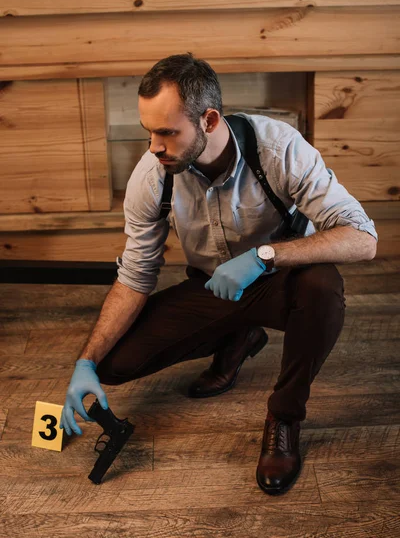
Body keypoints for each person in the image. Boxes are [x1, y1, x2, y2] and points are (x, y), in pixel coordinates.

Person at [60, 53, 378, 495]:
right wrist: (86, 361)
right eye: (148, 131)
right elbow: (135, 275)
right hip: (213, 287)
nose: (154, 145)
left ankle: (284, 417)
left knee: (323, 286)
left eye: (167, 132)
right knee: (114, 363)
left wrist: (264, 255)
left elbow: (363, 237)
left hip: (282, 281)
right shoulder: (153, 176)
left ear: (208, 119)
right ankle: (240, 335)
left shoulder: (278, 148)